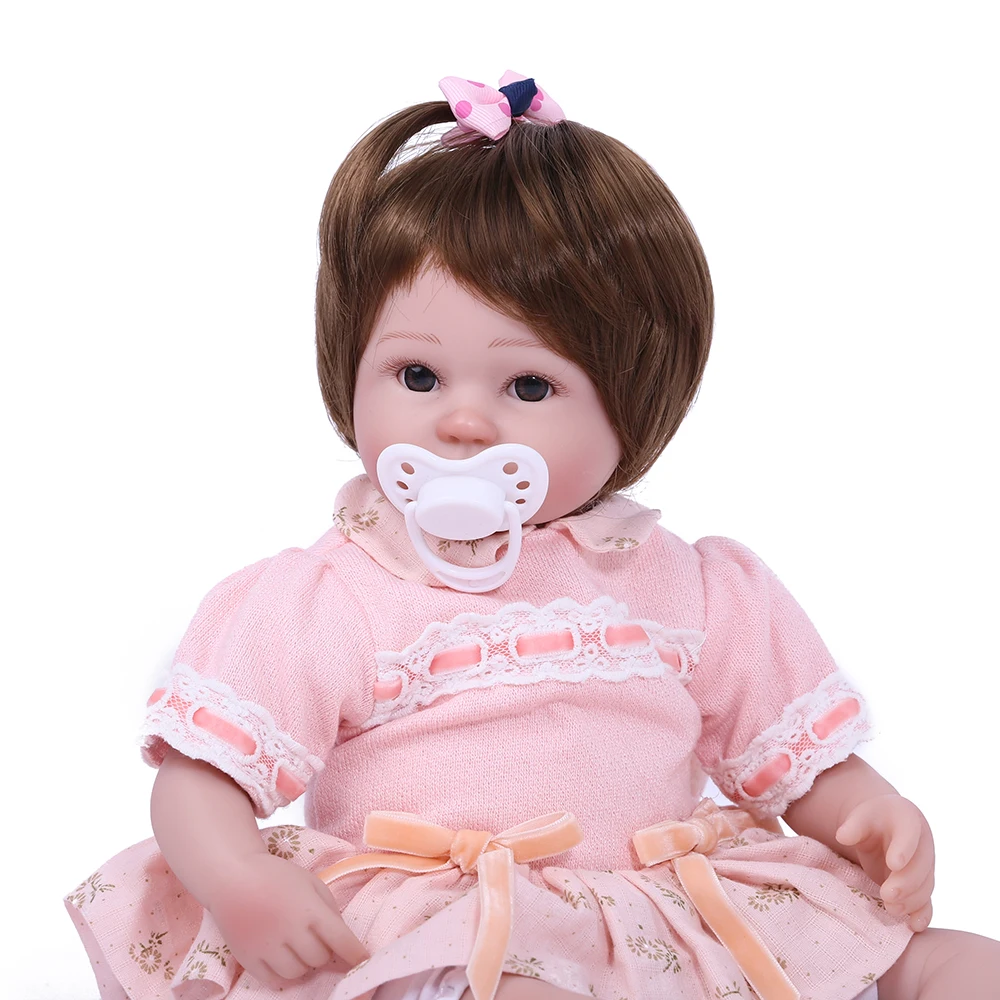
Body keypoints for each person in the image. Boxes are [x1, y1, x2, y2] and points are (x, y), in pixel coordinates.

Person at [65, 71, 1000, 1000]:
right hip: (447, 923)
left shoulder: (691, 588)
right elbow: (203, 781)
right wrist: (239, 878)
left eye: (527, 386)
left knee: (956, 965)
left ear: (635, 404)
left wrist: (869, 810)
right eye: (418, 377)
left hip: (654, 916)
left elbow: (795, 761)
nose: (463, 423)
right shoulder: (334, 597)